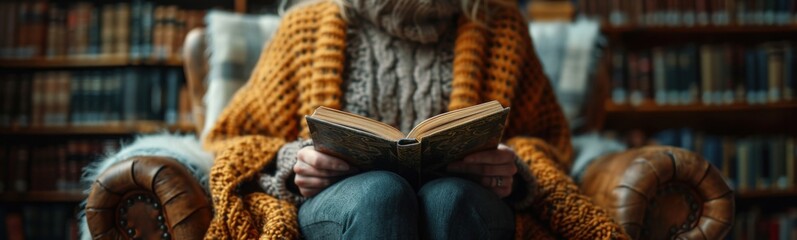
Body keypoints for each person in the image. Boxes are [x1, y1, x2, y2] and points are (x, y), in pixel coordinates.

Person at [202, 0, 627, 239]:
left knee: (448, 199)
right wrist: (294, 164)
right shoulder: (305, 28)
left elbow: (547, 137)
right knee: (380, 194)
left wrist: (513, 171)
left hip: (467, 202)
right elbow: (235, 135)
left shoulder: (501, 28)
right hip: (345, 204)